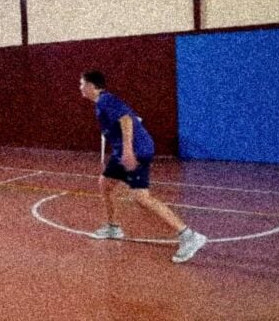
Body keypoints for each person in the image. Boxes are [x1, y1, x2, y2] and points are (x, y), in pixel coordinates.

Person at [79, 70, 207, 263]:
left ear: (91, 86)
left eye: (82, 84)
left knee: (141, 197)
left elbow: (126, 119)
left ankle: (189, 236)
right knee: (105, 183)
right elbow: (132, 118)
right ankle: (113, 227)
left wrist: (128, 150)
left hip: (135, 151)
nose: (80, 87)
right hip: (123, 151)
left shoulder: (106, 100)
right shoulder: (103, 103)